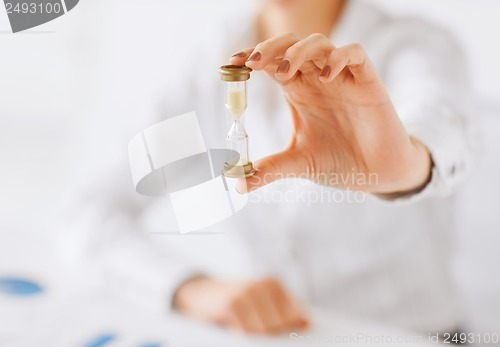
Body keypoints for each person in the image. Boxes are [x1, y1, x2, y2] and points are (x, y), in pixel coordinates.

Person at [57, 0, 475, 336]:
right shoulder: (210, 63)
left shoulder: (411, 46)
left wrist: (406, 166)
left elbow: (437, 126)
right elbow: (87, 211)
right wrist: (192, 288)